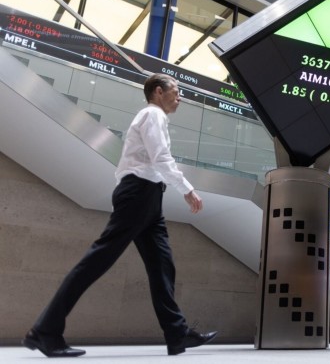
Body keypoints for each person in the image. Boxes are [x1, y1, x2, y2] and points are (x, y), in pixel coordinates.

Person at [21, 73, 217, 357]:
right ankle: (44, 331)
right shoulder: (153, 115)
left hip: (147, 197)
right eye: (176, 91)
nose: (180, 97)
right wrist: (187, 189)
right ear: (159, 92)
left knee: (163, 265)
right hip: (138, 194)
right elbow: (160, 157)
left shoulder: (154, 116)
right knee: (96, 261)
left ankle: (177, 334)